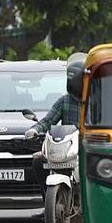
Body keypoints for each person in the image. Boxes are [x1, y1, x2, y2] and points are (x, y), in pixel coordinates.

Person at [25, 53, 84, 203]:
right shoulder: (65, 101)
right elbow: (47, 120)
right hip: (66, 149)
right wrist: (34, 130)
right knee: (39, 161)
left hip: (85, 150)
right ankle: (48, 202)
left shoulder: (94, 101)